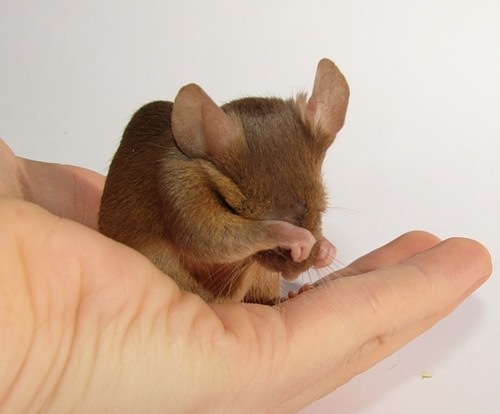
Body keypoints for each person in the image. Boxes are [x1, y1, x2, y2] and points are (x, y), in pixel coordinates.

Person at [0, 138, 491, 413]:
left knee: (258, 264)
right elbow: (209, 240)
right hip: (163, 260)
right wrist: (42, 360)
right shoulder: (186, 187)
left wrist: (304, 242)